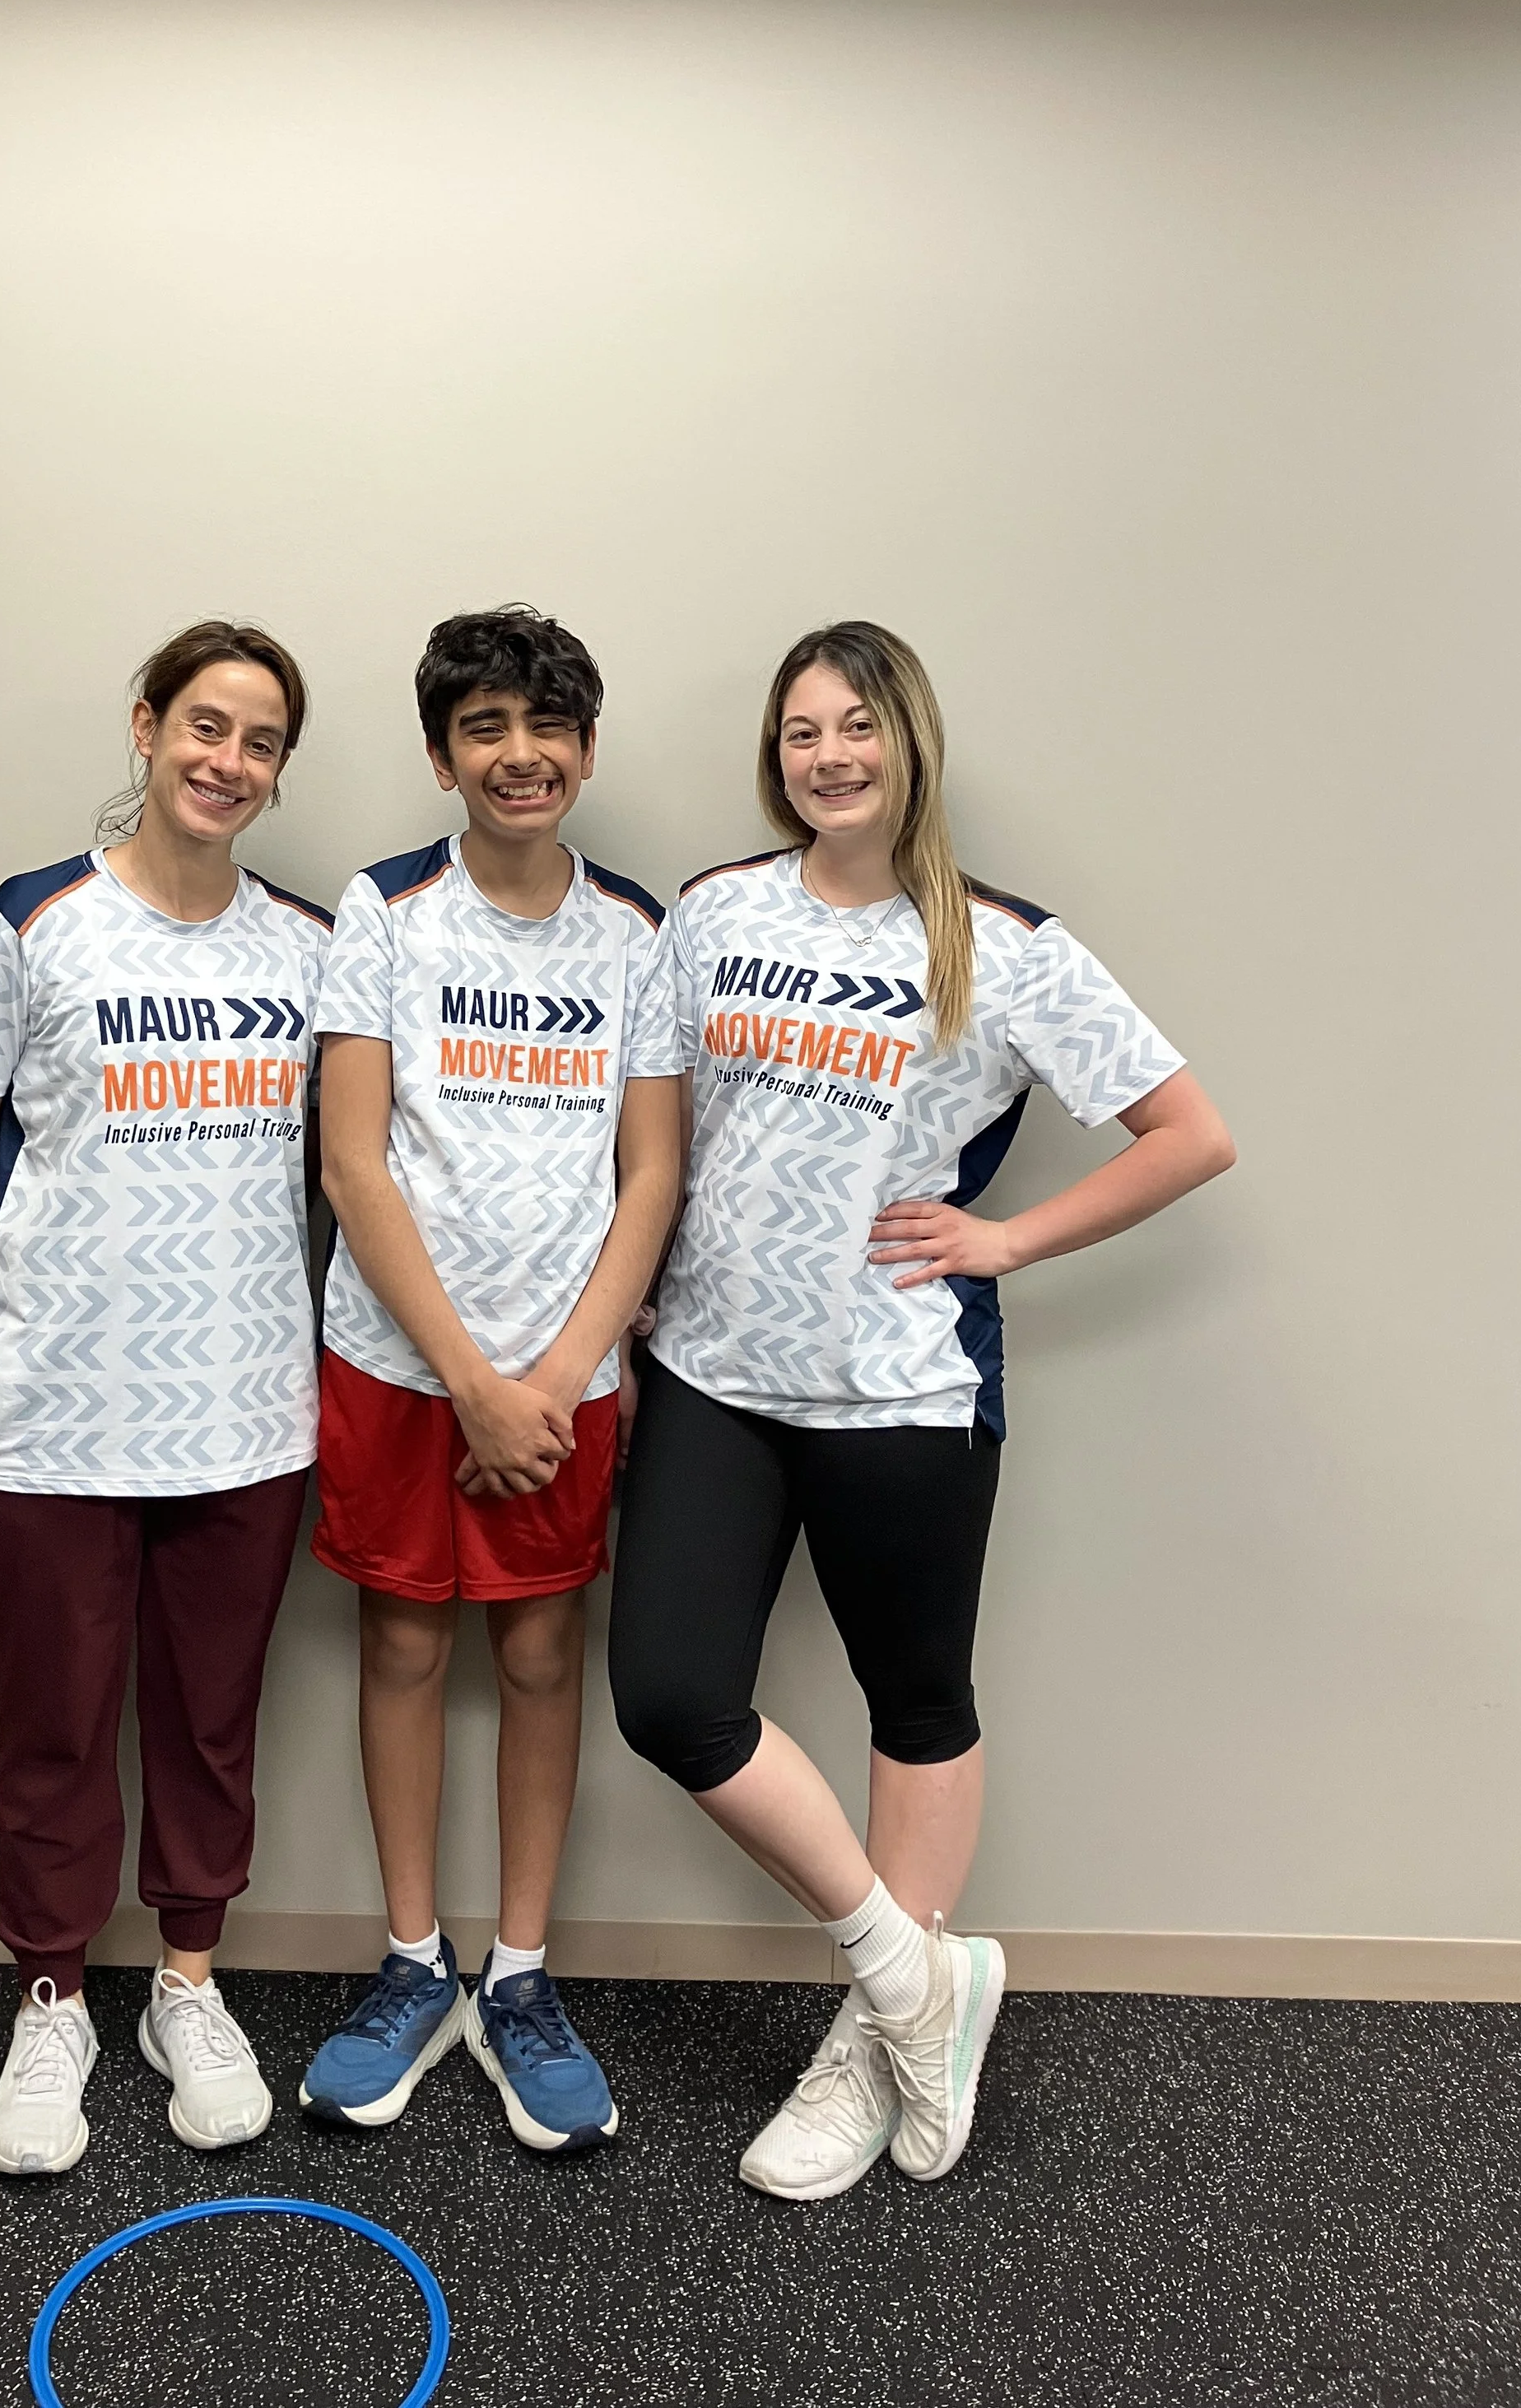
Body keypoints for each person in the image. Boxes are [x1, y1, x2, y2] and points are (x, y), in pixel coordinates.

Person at [607, 619, 1235, 2201]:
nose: (828, 757)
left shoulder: (1003, 942)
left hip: (902, 1387)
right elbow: (661, 1152)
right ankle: (913, 1983)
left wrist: (1010, 1237)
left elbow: (1188, 1133)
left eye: (856, 729)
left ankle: (868, 2043)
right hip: (713, 1376)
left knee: (917, 1701)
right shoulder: (713, 911)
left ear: (908, 744)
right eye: (802, 732)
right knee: (672, 1695)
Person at [0, 618, 333, 2177]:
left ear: (280, 775)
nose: (228, 761)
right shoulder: (31, 927)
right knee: (59, 1722)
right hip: (53, 1411)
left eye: (262, 743)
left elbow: (344, 1166)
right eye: (205, 727)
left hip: (247, 1406)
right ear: (147, 727)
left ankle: (189, 1987)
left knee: (213, 1722)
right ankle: (52, 1999)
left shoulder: (307, 944)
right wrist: (44, 1297)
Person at [300, 607, 683, 2154]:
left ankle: (518, 1979)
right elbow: (353, 1157)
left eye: (547, 728)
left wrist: (564, 1373)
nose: (518, 756)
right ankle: (412, 1964)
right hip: (407, 1365)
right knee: (401, 1650)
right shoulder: (384, 908)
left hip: (564, 1378)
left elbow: (651, 1174)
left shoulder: (639, 933)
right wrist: (468, 1380)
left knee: (539, 1663)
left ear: (585, 748)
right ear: (445, 752)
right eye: (484, 730)